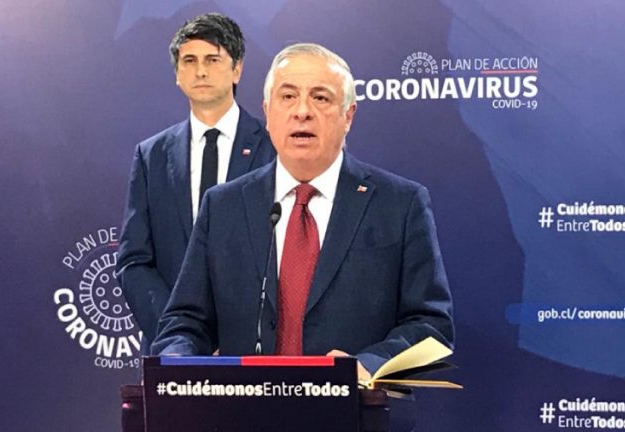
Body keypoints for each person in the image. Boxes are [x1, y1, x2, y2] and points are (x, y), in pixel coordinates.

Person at [152, 43, 454, 379]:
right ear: (267, 113)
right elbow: (186, 321)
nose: (302, 111)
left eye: (321, 98)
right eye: (288, 97)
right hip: (244, 405)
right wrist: (175, 360)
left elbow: (430, 326)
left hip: (353, 405)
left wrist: (367, 365)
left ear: (348, 116)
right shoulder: (223, 206)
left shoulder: (399, 204)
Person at [116, 13, 275, 355]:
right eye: (189, 61)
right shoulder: (151, 155)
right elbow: (134, 261)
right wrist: (179, 336)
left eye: (212, 60)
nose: (200, 71)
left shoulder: (274, 148)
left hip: (255, 352)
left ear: (237, 69)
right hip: (174, 352)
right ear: (177, 74)